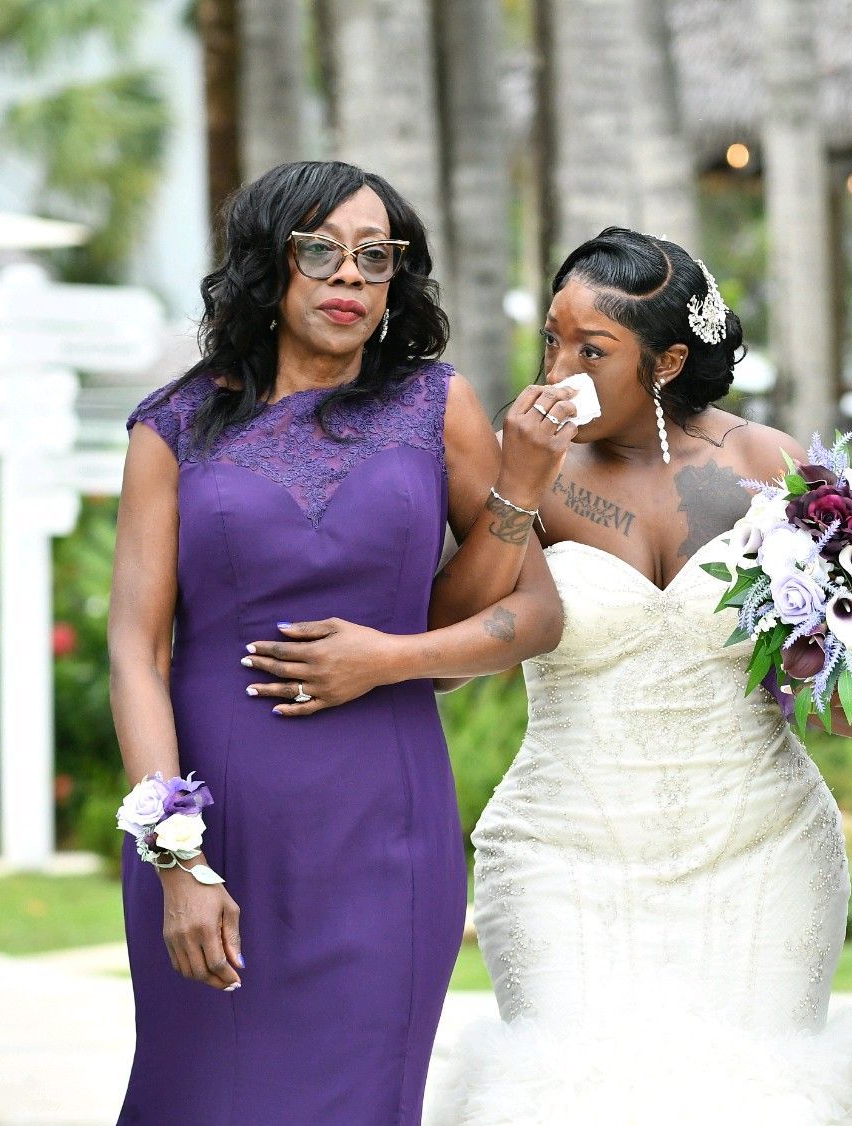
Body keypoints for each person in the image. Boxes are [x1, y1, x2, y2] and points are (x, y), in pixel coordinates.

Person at [284, 227, 852, 1123]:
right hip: (562, 849)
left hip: (762, 850)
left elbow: (844, 677)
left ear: (666, 362)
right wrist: (519, 487)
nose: (557, 370)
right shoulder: (526, 468)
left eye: (591, 349)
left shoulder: (770, 471)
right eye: (550, 339)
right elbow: (450, 647)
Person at [109, 160, 567, 1124]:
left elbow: (529, 614)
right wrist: (175, 859)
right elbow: (136, 654)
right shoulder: (174, 428)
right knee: (198, 1099)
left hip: (384, 830)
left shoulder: (436, 406)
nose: (349, 277)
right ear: (265, 269)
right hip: (217, 826)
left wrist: (389, 656)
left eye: (375, 256)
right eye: (319, 251)